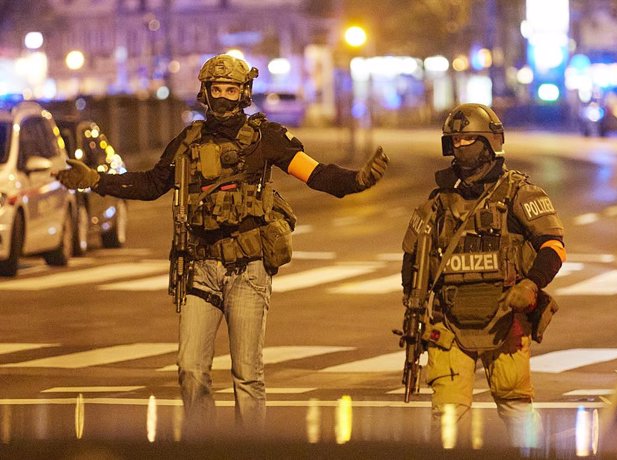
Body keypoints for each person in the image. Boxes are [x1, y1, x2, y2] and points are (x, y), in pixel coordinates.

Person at [55, 54, 388, 434]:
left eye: (232, 89)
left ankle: (249, 451)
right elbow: (151, 185)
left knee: (247, 375)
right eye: (217, 89)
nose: (224, 97)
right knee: (190, 369)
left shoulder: (266, 139)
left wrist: (358, 181)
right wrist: (96, 181)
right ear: (205, 92)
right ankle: (203, 444)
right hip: (200, 268)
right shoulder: (189, 141)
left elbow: (314, 174)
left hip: (248, 270)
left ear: (244, 93)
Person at [401, 103, 565, 448]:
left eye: (468, 139)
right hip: (449, 322)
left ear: (490, 142)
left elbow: (553, 246)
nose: (461, 147)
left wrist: (531, 283)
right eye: (455, 140)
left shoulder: (517, 192)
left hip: (505, 318)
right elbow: (413, 258)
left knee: (517, 408)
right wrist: (412, 305)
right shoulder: (437, 203)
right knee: (445, 415)